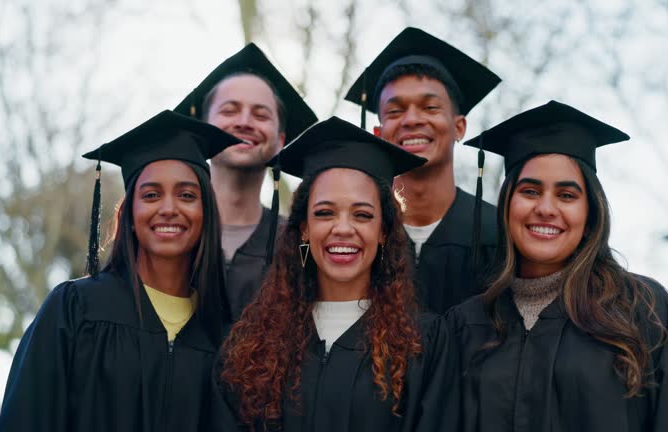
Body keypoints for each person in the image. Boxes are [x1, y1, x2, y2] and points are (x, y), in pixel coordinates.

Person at [447, 101, 668, 431]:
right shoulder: (467, 325)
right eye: (530, 191)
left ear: (590, 215)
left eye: (567, 195)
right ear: (506, 206)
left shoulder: (641, 309)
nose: (546, 208)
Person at [212, 117, 459, 432]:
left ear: (383, 230)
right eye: (325, 213)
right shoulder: (253, 345)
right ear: (303, 227)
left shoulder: (423, 345)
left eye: (362, 215)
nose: (343, 229)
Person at [0, 110, 236, 432]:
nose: (168, 208)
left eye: (187, 195)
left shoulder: (221, 334)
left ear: (206, 212)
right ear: (129, 213)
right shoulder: (75, 309)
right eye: (151, 195)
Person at [345, 27, 501, 313]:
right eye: (395, 111)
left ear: (459, 127)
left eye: (430, 107)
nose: (412, 120)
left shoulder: (498, 234)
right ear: (379, 134)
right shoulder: (354, 234)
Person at [174, 43, 317, 320]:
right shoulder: (164, 232)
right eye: (229, 111)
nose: (244, 122)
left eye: (261, 115)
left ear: (281, 142)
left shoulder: (298, 247)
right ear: (202, 131)